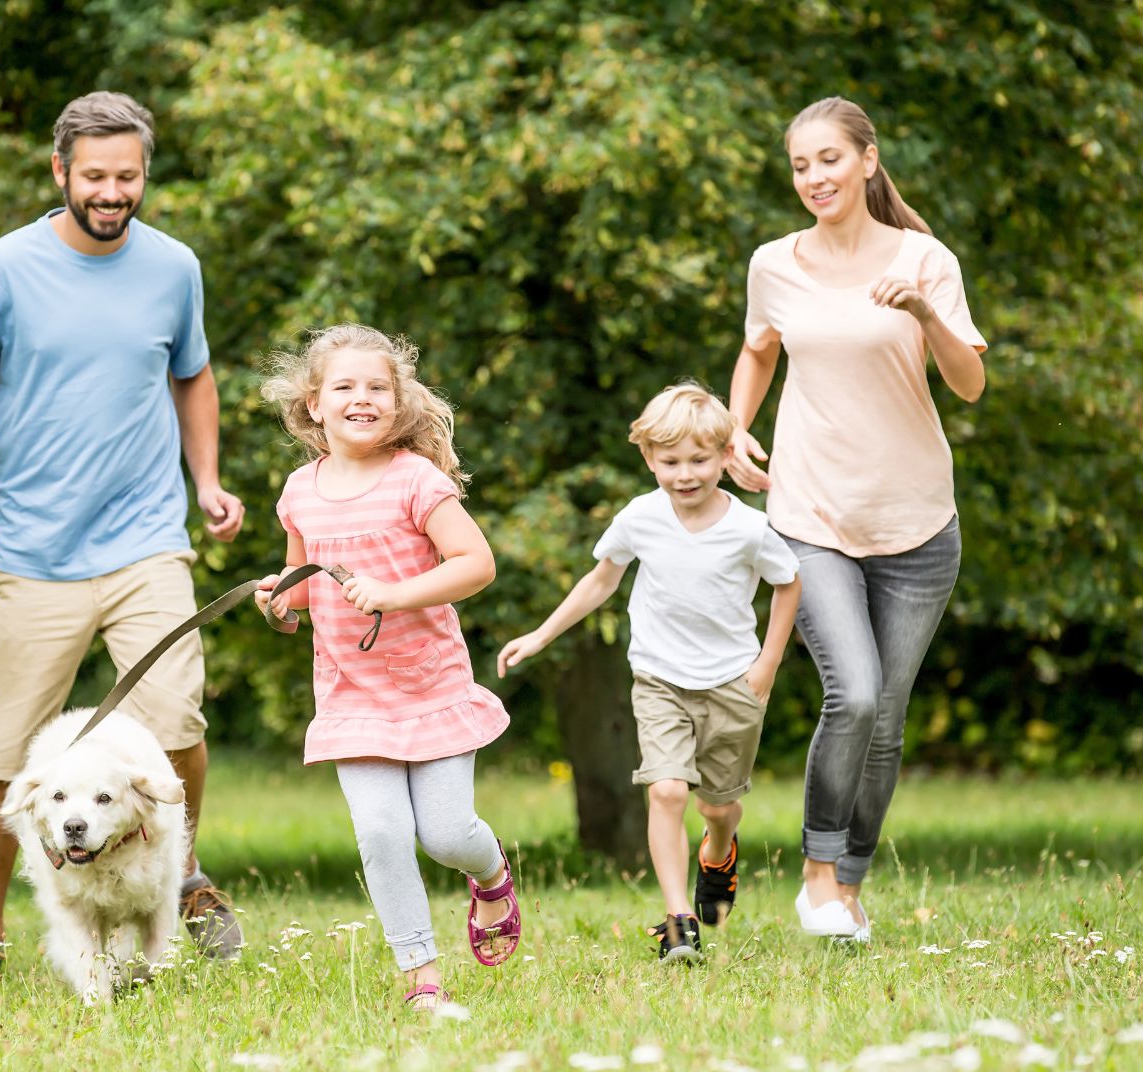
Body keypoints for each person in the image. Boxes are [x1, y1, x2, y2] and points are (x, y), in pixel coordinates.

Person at [0, 91, 248, 984]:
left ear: (146, 175)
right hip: (33, 554)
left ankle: (182, 875)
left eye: (129, 176)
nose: (113, 192)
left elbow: (195, 373)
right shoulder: (2, 269)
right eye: (96, 176)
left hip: (146, 540)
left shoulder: (174, 266)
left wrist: (206, 481)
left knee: (178, 717)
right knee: (4, 750)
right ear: (59, 170)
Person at [728, 97, 988, 942]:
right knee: (857, 693)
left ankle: (849, 880)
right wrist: (736, 428)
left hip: (917, 520)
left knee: (889, 718)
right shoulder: (775, 263)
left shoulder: (924, 259)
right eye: (800, 166)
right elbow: (758, 347)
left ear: (869, 161)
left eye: (829, 160)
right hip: (811, 510)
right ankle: (816, 875)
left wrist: (921, 311)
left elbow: (970, 384)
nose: (814, 178)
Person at [254, 324, 521, 1011]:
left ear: (398, 402)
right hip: (352, 696)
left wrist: (396, 593)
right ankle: (420, 981)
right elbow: (302, 577)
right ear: (314, 403)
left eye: (378, 387)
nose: (362, 398)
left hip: (429, 687)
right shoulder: (299, 491)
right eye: (344, 387)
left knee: (444, 834)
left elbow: (476, 564)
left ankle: (491, 875)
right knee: (379, 832)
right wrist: (280, 601)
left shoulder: (415, 478)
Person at [498, 383, 801, 963]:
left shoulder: (747, 527)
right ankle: (678, 919)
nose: (685, 474)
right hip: (659, 678)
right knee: (664, 790)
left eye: (699, 460)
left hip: (733, 683)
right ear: (648, 459)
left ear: (723, 456)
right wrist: (539, 635)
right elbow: (601, 581)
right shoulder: (640, 516)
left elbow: (788, 583)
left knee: (717, 806)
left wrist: (767, 663)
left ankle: (719, 851)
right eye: (670, 462)